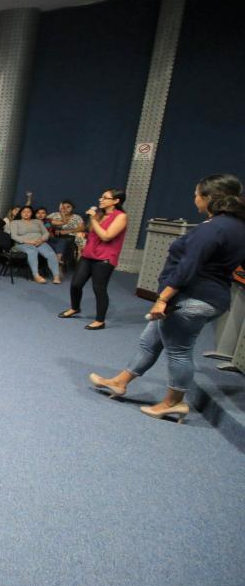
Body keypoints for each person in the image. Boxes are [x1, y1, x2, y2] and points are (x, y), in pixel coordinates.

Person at [89, 175, 245, 422]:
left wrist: (162, 298)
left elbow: (188, 266)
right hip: (205, 298)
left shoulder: (212, 227)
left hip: (191, 299)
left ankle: (174, 403)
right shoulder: (238, 227)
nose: (194, 198)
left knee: (179, 351)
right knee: (149, 341)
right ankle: (120, 382)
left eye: (196, 194)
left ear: (210, 198)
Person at [58, 190, 128, 329]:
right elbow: (94, 234)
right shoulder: (100, 214)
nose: (101, 199)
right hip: (88, 255)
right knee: (76, 284)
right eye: (101, 197)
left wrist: (93, 219)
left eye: (105, 198)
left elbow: (106, 236)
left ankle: (100, 321)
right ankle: (75, 308)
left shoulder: (121, 217)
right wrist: (84, 234)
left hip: (104, 258)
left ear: (116, 201)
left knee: (99, 289)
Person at [9, 206, 60, 284]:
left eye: (28, 212)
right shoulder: (15, 222)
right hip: (23, 244)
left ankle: (56, 276)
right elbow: (14, 236)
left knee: (51, 254)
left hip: (39, 242)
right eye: (24, 212)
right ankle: (36, 275)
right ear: (21, 213)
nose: (26, 213)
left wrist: (41, 240)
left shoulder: (37, 221)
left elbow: (46, 233)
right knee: (32, 251)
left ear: (32, 213)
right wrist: (28, 242)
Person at [46, 199, 86, 266]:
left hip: (73, 235)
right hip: (57, 235)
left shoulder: (77, 217)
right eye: (63, 207)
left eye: (68, 207)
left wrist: (67, 231)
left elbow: (82, 228)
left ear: (72, 208)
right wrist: (51, 229)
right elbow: (44, 222)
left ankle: (80, 258)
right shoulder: (55, 215)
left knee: (81, 235)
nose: (65, 209)